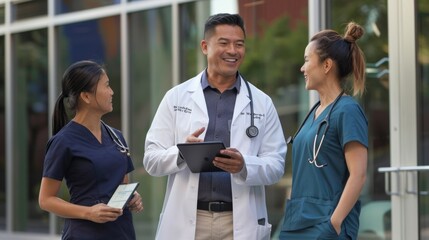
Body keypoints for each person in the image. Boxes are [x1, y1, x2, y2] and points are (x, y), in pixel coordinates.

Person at [143, 13, 287, 240]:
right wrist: (181, 152)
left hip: (238, 223)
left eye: (239, 44)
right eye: (224, 43)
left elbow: (277, 165)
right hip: (189, 221)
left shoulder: (262, 102)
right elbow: (151, 160)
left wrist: (244, 165)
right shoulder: (176, 97)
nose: (233, 51)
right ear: (204, 46)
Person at [279, 22, 368, 240]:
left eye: (307, 60)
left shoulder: (348, 111)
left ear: (326, 65)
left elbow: (358, 175)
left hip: (326, 226)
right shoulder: (314, 112)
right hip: (297, 222)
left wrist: (334, 224)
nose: (302, 68)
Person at [38, 60, 144, 240]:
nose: (112, 92)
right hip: (85, 234)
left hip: (122, 233)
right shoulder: (63, 141)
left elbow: (122, 185)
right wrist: (88, 212)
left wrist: (132, 197)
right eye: (107, 86)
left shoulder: (116, 136)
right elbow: (45, 200)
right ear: (86, 96)